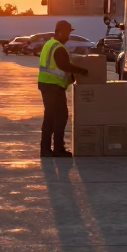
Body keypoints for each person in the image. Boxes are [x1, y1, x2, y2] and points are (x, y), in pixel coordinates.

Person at [37, 20, 88, 158]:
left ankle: (49, 149)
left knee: (53, 117)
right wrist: (81, 71)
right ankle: (55, 149)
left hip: (49, 85)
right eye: (67, 33)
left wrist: (71, 77)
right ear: (59, 32)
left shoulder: (50, 44)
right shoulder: (58, 47)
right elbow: (63, 65)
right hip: (52, 86)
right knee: (57, 117)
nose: (68, 37)